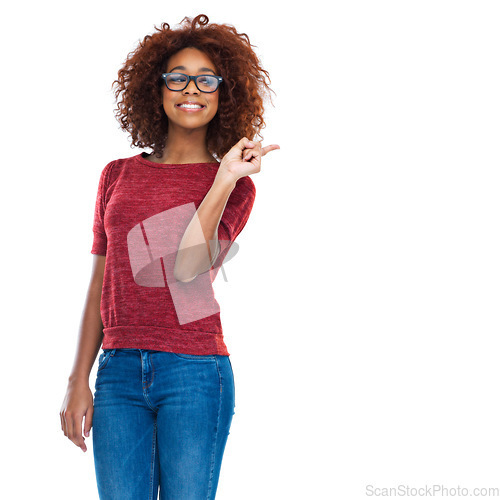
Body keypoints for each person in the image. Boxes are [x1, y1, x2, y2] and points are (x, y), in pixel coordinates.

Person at [59, 13, 279, 500]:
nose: (191, 89)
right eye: (177, 77)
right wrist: (79, 379)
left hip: (195, 371)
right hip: (116, 372)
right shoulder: (116, 175)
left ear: (224, 94)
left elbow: (187, 268)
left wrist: (223, 179)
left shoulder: (234, 186)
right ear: (156, 88)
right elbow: (100, 283)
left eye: (207, 79)